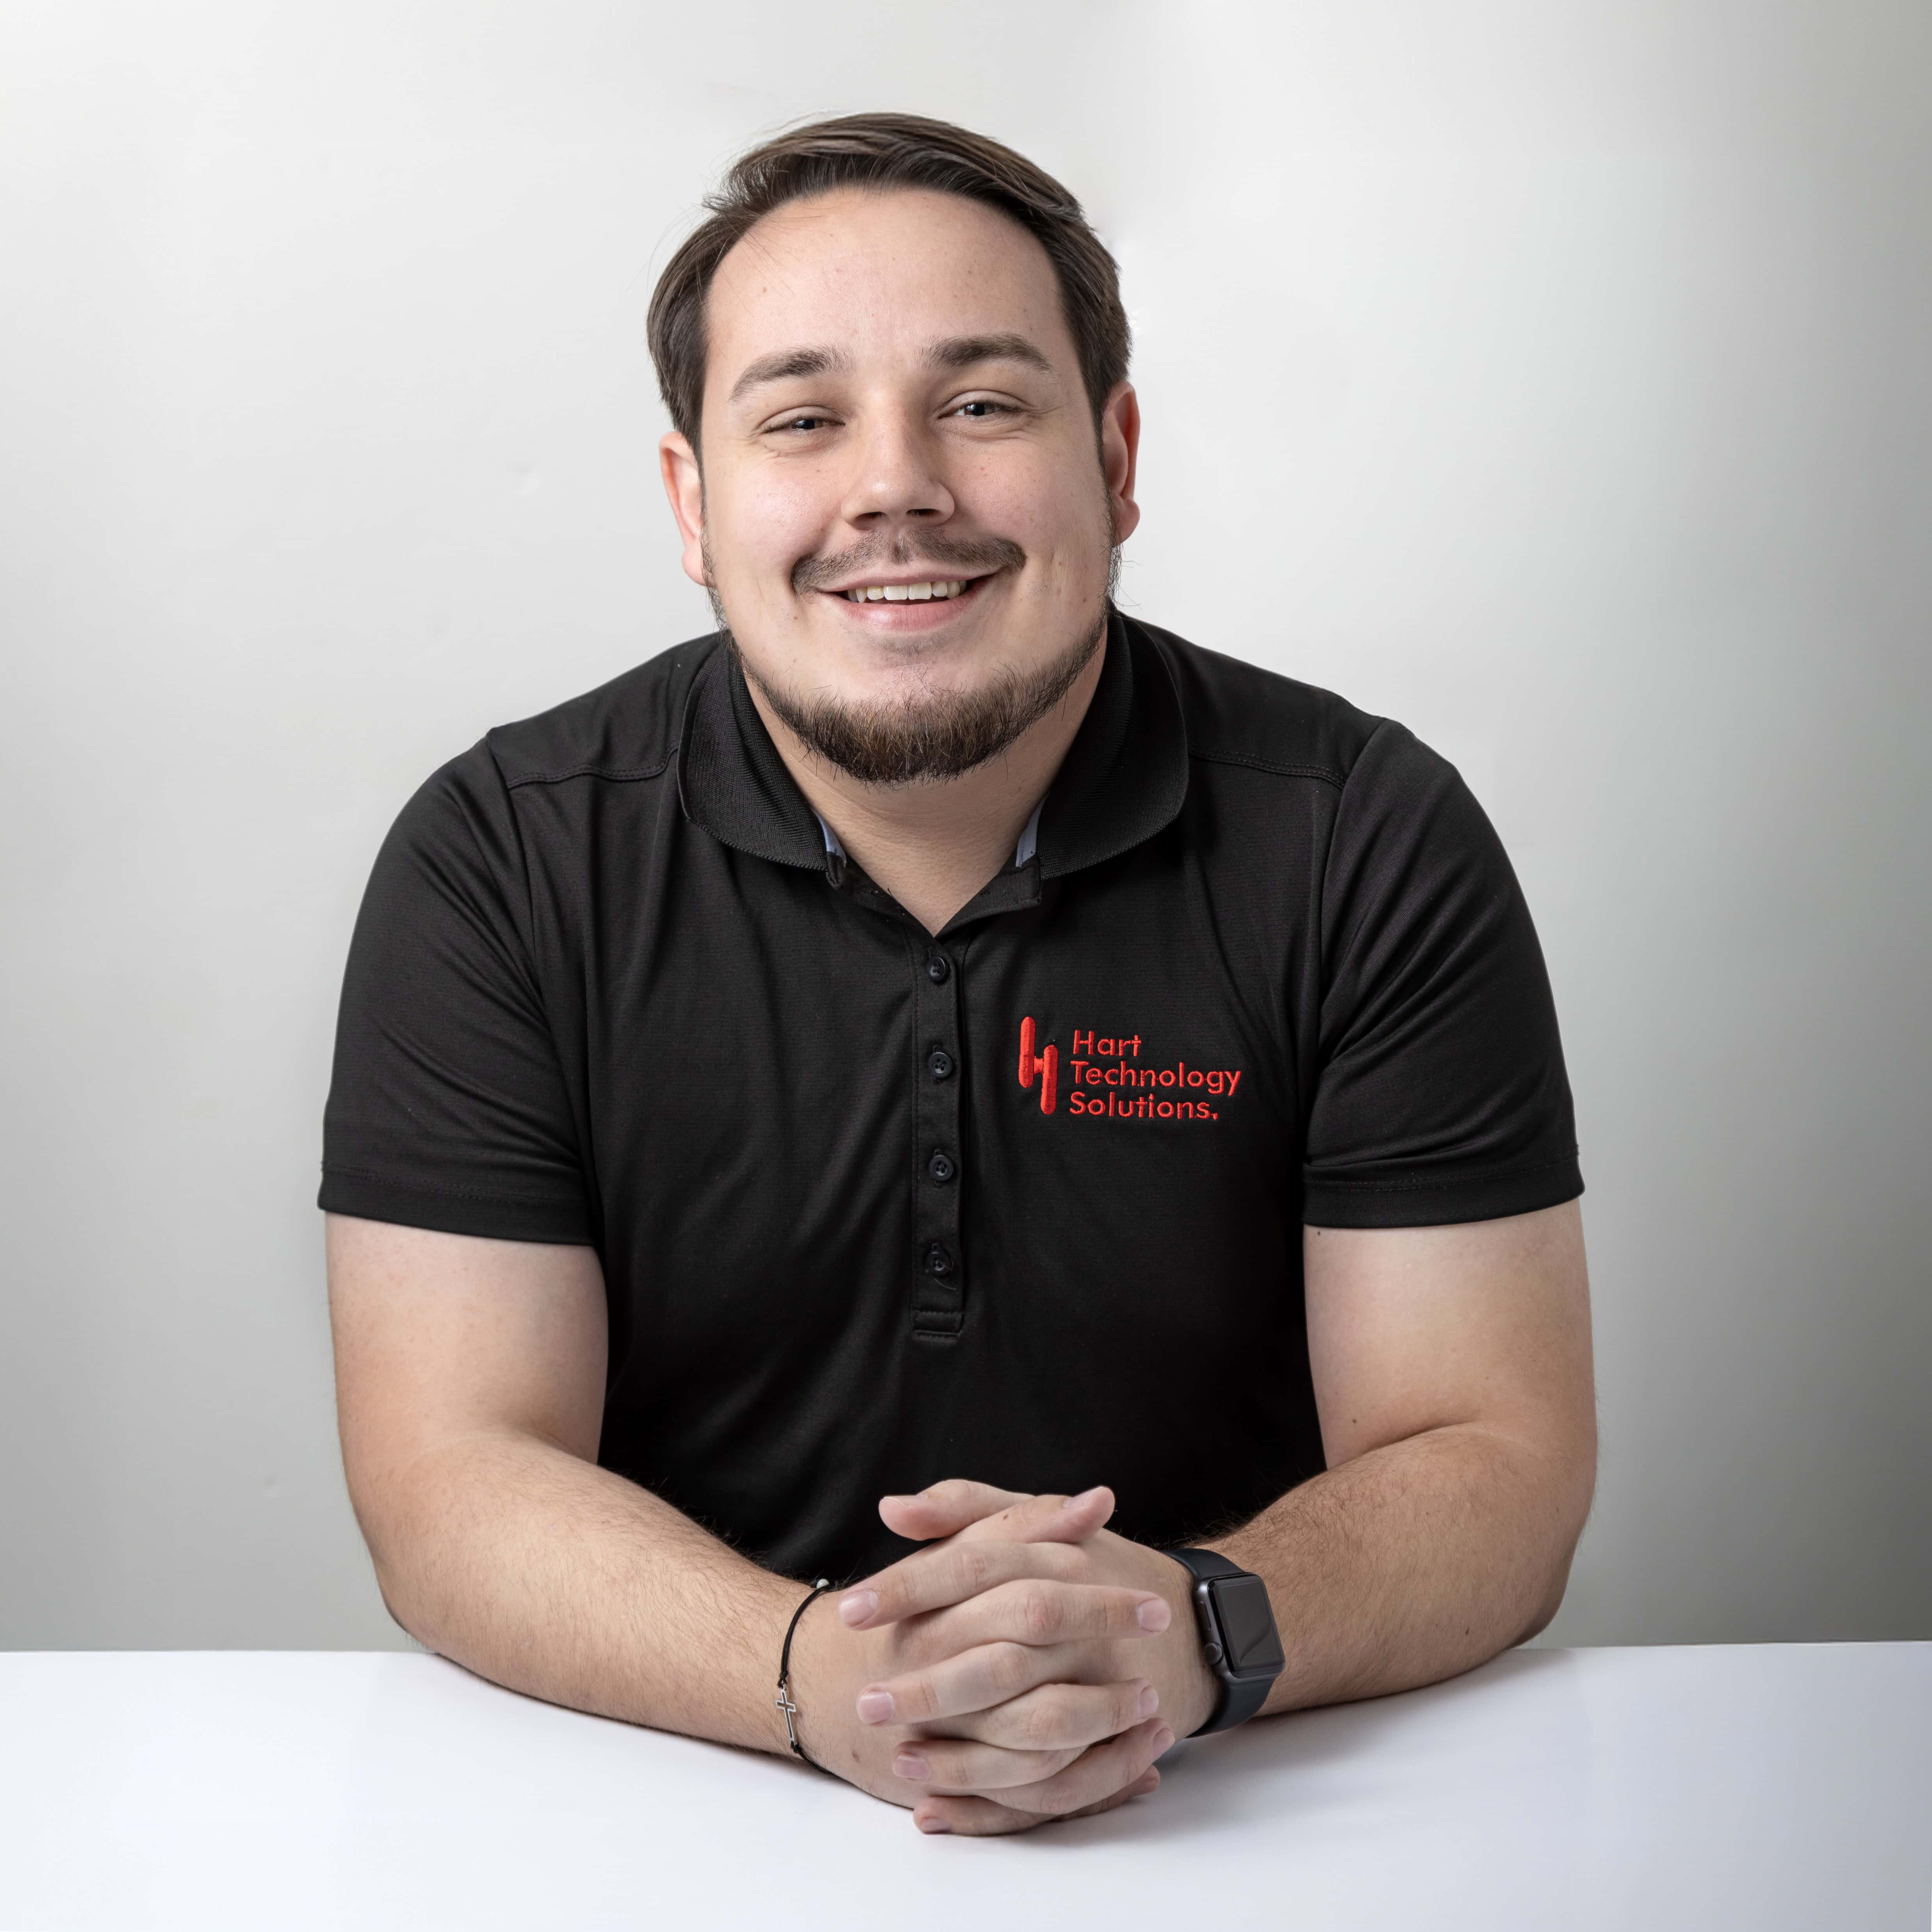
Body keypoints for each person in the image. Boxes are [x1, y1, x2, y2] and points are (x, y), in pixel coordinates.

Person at [321, 112, 1596, 1837]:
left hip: (1251, 1807)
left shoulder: (1361, 836)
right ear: (694, 501)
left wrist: (1180, 1634)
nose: (894, 486)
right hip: (668, 1800)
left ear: (1116, 456)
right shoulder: (500, 862)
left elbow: (1497, 1461)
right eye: (801, 418)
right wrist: (820, 1676)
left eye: (982, 403)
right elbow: (448, 1476)